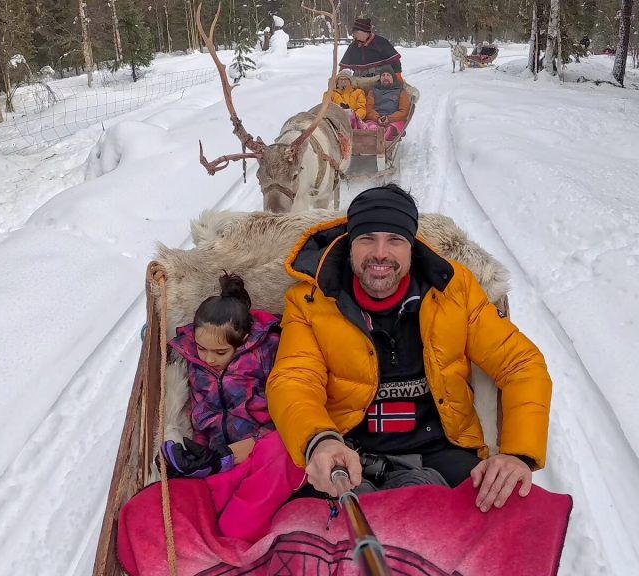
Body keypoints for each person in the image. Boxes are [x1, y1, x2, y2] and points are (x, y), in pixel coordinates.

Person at [266, 185, 553, 514]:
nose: (380, 253)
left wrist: (518, 453)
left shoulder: (454, 289)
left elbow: (522, 363)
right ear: (348, 244)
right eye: (367, 238)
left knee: (508, 529)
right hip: (347, 453)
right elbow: (293, 378)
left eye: (395, 240)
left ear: (412, 247)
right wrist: (319, 440)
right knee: (309, 539)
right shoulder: (309, 300)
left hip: (442, 450)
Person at [117, 274, 304, 564]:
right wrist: (198, 454)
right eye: (202, 349)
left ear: (242, 340)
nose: (209, 359)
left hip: (260, 446)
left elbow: (284, 406)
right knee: (157, 507)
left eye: (220, 352)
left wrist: (236, 452)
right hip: (218, 456)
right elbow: (198, 410)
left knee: (272, 466)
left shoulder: (266, 354)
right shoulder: (193, 359)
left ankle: (232, 540)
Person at [362, 66, 411, 141]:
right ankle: (375, 139)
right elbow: (369, 108)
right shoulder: (373, 91)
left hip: (394, 120)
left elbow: (404, 111)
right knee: (369, 127)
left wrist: (389, 119)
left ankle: (386, 137)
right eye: (383, 75)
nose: (385, 77)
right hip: (376, 120)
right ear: (380, 78)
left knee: (392, 128)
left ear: (393, 78)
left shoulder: (401, 91)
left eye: (388, 75)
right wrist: (377, 118)